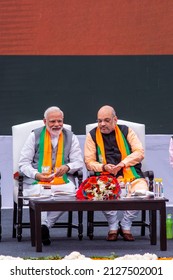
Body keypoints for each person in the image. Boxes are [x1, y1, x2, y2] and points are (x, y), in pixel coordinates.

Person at [19, 106, 83, 245]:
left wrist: (67, 167)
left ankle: (44, 226)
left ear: (63, 121)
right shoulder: (34, 136)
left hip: (61, 181)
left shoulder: (70, 136)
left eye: (59, 121)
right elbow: (23, 164)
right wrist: (37, 175)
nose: (56, 125)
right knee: (41, 194)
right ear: (44, 121)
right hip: (37, 182)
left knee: (72, 195)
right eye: (52, 121)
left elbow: (78, 162)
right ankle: (42, 227)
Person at [84, 105, 148, 241]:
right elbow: (89, 162)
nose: (102, 124)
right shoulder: (92, 135)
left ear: (115, 119)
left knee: (141, 192)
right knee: (101, 192)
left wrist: (122, 164)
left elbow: (139, 152)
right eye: (99, 120)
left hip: (130, 174)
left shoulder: (126, 131)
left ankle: (126, 224)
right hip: (105, 175)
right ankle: (113, 225)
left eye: (106, 120)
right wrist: (104, 166)